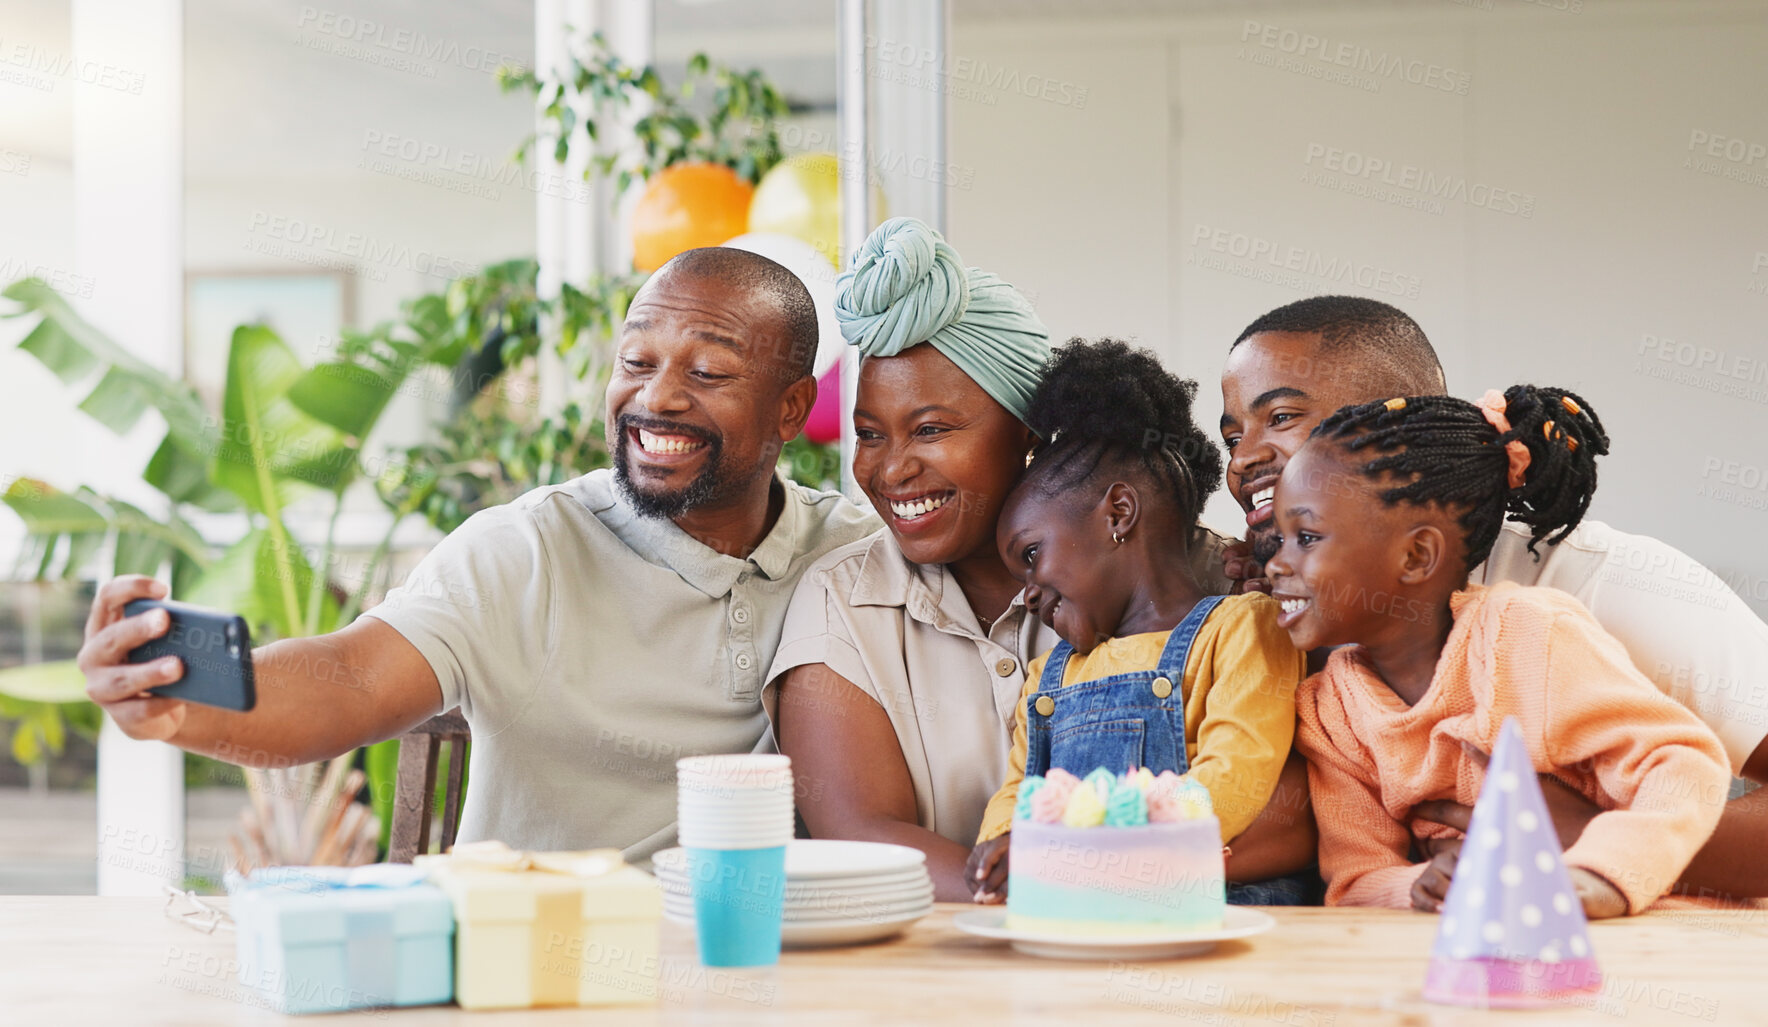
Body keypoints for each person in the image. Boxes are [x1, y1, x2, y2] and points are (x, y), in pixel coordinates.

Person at [77, 247, 881, 864]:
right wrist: (177, 701)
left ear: (791, 408)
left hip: (763, 972)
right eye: (635, 362)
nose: (656, 396)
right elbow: (350, 678)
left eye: (706, 371)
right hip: (547, 977)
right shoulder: (527, 548)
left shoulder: (849, 555)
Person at [1220, 296, 1768, 900]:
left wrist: (1598, 844)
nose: (1243, 459)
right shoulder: (1288, 622)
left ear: (1393, 424)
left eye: (1280, 418)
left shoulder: (1598, 586)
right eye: (1230, 436)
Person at [766, 220, 1282, 901]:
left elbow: (1289, 810)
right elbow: (861, 831)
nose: (891, 468)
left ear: (1026, 431)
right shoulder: (841, 600)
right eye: (868, 434)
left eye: (931, 429)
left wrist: (1072, 868)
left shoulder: (1211, 582)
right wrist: (1041, 883)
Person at [1275, 386, 1750, 916]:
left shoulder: (1528, 636)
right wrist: (1420, 887)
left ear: (1416, 555)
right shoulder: (1329, 712)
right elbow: (1356, 881)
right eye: (1280, 539)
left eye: (1307, 537)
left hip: (1666, 926)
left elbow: (1681, 765)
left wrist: (1595, 876)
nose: (1277, 563)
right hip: (1504, 950)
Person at [964, 339, 1305, 904]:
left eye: (1030, 556)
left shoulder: (1243, 628)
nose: (1026, 595)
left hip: (1214, 913)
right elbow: (1019, 789)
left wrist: (1085, 848)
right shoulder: (1048, 677)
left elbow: (1235, 777)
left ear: (1119, 514)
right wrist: (1000, 842)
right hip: (1086, 913)